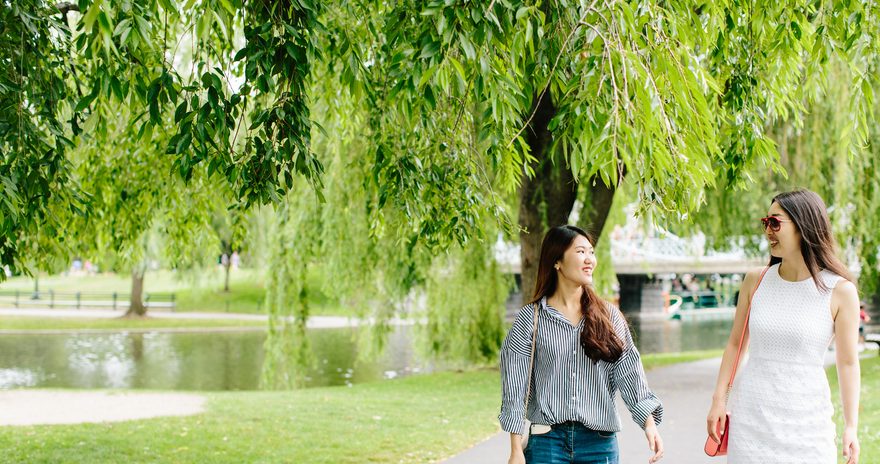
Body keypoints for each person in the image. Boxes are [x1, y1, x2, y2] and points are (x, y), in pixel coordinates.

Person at [706, 189, 861, 464]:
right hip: (752, 419)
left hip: (807, 426)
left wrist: (851, 426)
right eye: (766, 222)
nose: (768, 231)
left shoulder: (840, 291)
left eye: (775, 222)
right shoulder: (756, 281)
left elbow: (848, 363)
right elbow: (735, 344)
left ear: (804, 225)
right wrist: (719, 399)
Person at [499, 225, 664, 464]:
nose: (590, 260)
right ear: (557, 261)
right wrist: (515, 449)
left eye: (591, 252)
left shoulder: (608, 316)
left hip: (599, 445)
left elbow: (629, 373)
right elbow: (515, 387)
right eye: (580, 252)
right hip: (547, 442)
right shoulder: (531, 319)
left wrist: (649, 424)